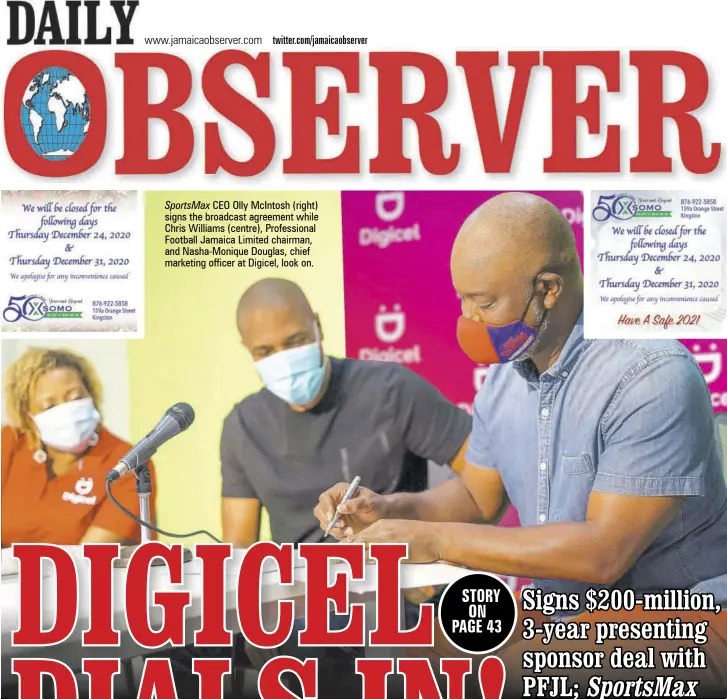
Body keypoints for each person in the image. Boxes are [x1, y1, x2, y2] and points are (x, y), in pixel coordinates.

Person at [315, 192, 727, 697]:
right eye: (463, 300)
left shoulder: (651, 374)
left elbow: (604, 554)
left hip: (677, 618)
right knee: (402, 656)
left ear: (548, 289)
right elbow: (476, 499)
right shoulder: (504, 383)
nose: (469, 320)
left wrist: (438, 542)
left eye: (485, 303)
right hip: (562, 613)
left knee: (487, 676)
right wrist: (387, 509)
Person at [1, 347, 156, 546]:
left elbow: (88, 559)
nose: (67, 411)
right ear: (29, 418)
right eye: (49, 406)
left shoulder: (129, 463)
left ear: (91, 395)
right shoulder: (9, 443)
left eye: (75, 397)